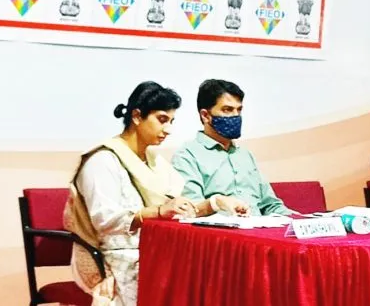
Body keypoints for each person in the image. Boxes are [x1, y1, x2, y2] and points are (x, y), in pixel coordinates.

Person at [64, 81, 198, 306]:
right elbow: (105, 220)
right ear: (137, 116)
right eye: (162, 119)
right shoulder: (102, 160)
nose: (168, 130)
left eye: (171, 121)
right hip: (111, 254)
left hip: (154, 248)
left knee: (202, 270)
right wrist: (157, 212)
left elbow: (175, 206)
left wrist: (213, 204)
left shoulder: (154, 161)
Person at [171, 79, 292, 216]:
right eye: (227, 110)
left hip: (260, 227)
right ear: (205, 116)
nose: (235, 116)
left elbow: (271, 205)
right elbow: (193, 210)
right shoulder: (187, 156)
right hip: (219, 228)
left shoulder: (245, 155)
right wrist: (216, 203)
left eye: (239, 110)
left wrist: (301, 220)